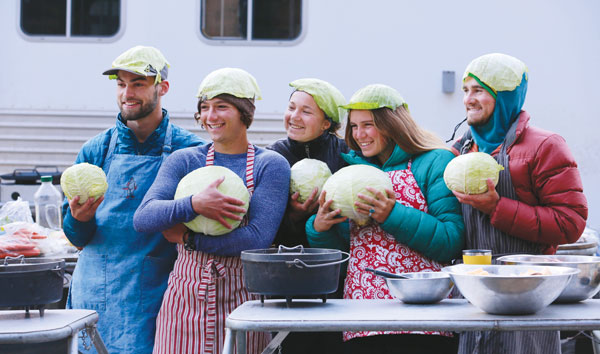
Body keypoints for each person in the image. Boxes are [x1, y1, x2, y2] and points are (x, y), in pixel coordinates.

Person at [133, 67, 290, 354]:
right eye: (204, 108)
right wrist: (193, 204)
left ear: (245, 112)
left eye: (221, 107)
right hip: (184, 303)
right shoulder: (184, 160)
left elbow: (257, 239)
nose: (210, 117)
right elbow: (144, 217)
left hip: (243, 302)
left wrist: (191, 239)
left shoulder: (272, 164)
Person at [61, 45, 206, 354]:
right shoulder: (94, 151)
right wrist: (79, 218)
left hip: (158, 294)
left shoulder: (189, 150)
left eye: (138, 83)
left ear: (162, 88)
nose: (127, 92)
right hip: (95, 296)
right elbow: (75, 236)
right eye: (121, 83)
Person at [306, 84, 465, 354]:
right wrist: (319, 228)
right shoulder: (352, 172)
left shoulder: (435, 161)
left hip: (424, 316)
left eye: (368, 124)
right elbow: (346, 252)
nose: (359, 135)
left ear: (392, 124)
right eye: (354, 127)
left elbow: (451, 240)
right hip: (363, 315)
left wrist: (392, 215)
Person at [451, 53, 588, 354]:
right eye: (465, 90)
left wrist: (497, 208)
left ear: (504, 96)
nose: (468, 100)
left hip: (529, 297)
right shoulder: (457, 151)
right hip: (471, 300)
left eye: (479, 90)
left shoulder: (545, 146)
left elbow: (571, 223)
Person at [266, 78, 349, 354]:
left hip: (338, 278)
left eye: (306, 111)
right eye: (291, 107)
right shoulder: (274, 156)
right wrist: (293, 218)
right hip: (289, 279)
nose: (294, 117)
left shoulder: (345, 154)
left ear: (327, 123)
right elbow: (266, 227)